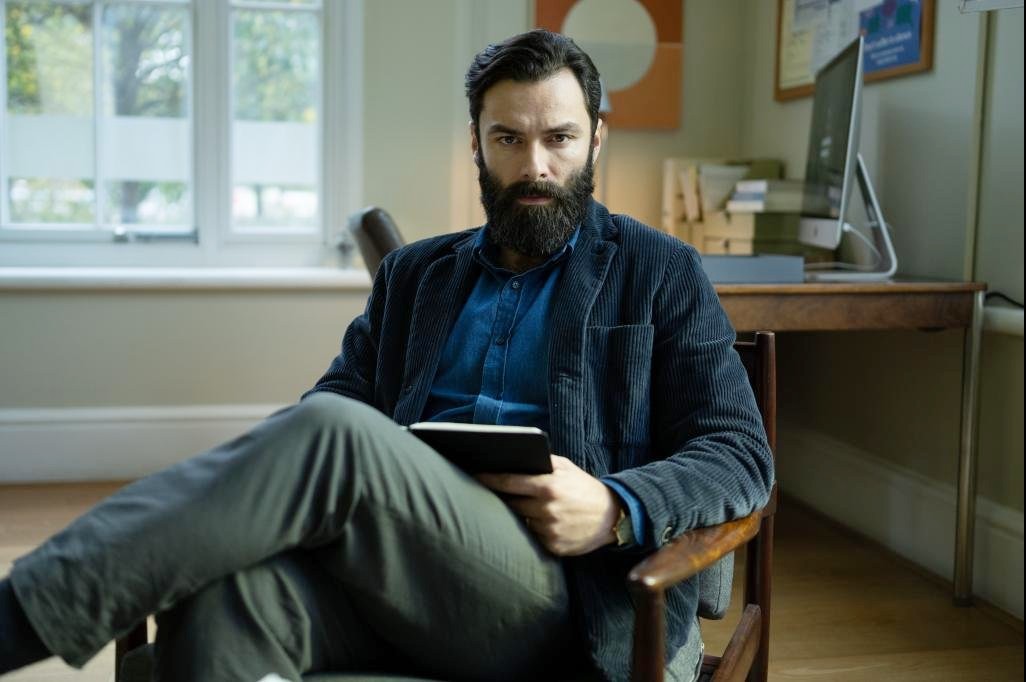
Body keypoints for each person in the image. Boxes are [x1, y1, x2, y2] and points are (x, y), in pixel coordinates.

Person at [0, 29, 772, 682]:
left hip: (569, 599)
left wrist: (614, 508)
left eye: (559, 138)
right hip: (404, 578)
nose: (535, 164)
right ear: (476, 142)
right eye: (509, 138)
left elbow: (741, 453)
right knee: (222, 603)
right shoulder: (416, 276)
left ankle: (14, 620)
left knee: (333, 431)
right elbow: (334, 402)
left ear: (596, 138)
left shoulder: (659, 268)